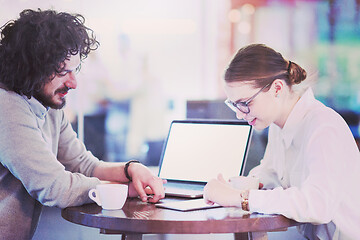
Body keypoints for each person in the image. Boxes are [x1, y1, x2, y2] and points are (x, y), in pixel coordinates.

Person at [0, 9, 165, 240]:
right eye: (63, 71)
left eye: (74, 70)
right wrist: (123, 190)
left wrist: (130, 169)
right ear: (31, 68)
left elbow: (81, 163)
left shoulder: (47, 105)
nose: (74, 82)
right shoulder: (6, 106)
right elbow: (55, 188)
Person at [204, 43, 360, 240]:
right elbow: (270, 174)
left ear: (277, 88)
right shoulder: (279, 125)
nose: (238, 114)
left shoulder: (323, 126)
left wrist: (239, 198)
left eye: (245, 103)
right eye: (234, 105)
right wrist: (236, 186)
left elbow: (318, 205)